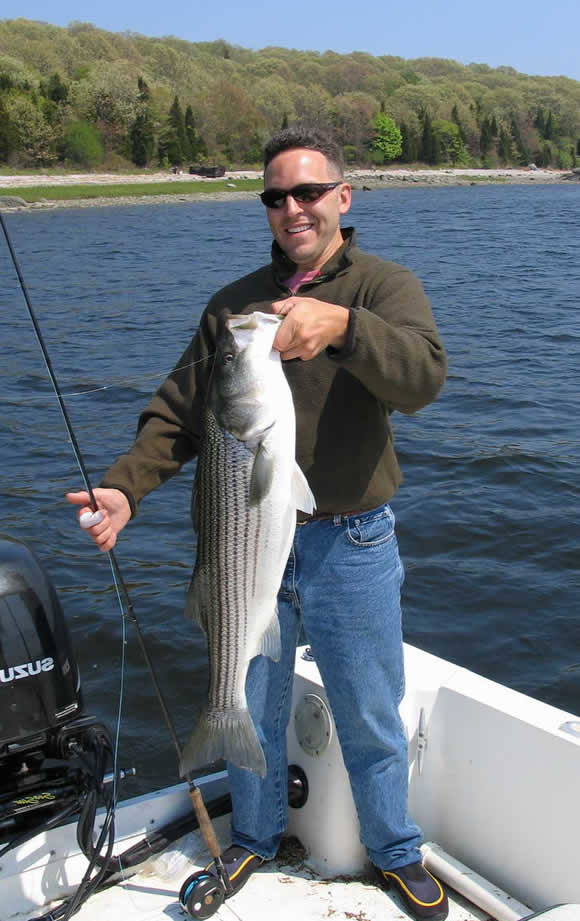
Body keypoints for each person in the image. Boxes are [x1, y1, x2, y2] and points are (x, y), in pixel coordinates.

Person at [67, 126, 448, 921]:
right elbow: (177, 413)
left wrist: (342, 329)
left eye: (309, 191)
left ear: (344, 197)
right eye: (275, 195)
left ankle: (395, 848)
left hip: (353, 539)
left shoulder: (383, 286)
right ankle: (254, 835)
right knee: (248, 691)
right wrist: (125, 490)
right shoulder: (233, 307)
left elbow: (422, 378)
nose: (292, 208)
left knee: (371, 707)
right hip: (244, 545)